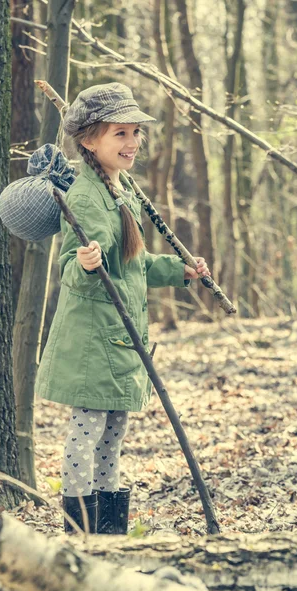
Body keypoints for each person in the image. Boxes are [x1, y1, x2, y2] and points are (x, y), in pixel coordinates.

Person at [35, 83, 210, 535]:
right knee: (87, 430)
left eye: (135, 132)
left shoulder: (121, 189)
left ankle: (110, 531)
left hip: (124, 336)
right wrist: (85, 263)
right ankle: (79, 530)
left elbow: (134, 264)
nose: (132, 142)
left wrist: (181, 270)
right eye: (120, 133)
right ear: (90, 140)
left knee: (114, 435)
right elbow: (70, 268)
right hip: (95, 338)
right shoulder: (86, 196)